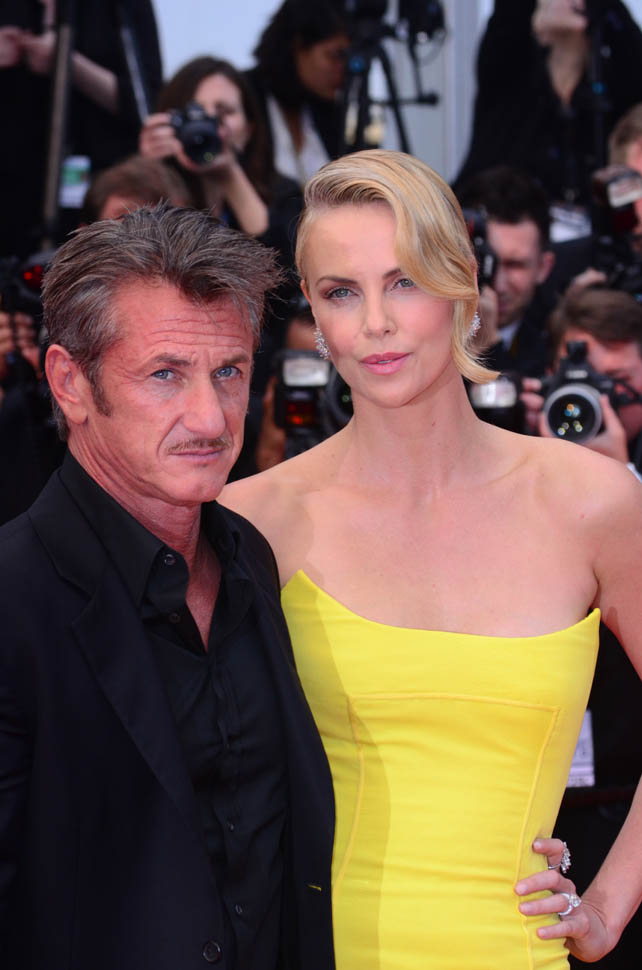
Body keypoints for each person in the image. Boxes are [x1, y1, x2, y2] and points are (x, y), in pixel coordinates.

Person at [222, 149, 642, 969]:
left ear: (464, 285)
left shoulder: (591, 502)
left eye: (405, 281)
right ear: (313, 309)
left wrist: (606, 907)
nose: (376, 322)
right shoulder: (254, 520)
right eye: (342, 291)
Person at [0, 204, 335, 970]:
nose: (210, 418)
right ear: (70, 383)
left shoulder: (252, 558)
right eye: (165, 375)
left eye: (229, 372)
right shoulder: (14, 600)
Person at [0, 0, 162, 257]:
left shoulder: (116, 7)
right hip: (14, 186)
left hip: (100, 181)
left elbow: (146, 104)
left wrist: (69, 63)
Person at [454, 0, 642, 208]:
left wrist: (607, 8)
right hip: (495, 213)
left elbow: (632, 52)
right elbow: (508, 16)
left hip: (583, 222)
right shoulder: (509, 71)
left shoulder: (606, 89)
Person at [139, 56, 302, 269]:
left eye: (224, 112)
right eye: (195, 115)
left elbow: (286, 273)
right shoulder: (149, 184)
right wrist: (146, 170)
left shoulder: (285, 193)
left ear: (249, 129)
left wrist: (230, 175)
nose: (210, 126)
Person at [457, 166, 556, 375]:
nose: (499, 285)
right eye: (483, 261)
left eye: (515, 265)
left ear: (543, 267)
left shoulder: (558, 342)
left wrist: (487, 346)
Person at [246, 0, 349, 185]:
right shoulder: (246, 96)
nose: (342, 68)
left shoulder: (326, 111)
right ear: (298, 47)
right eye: (334, 56)